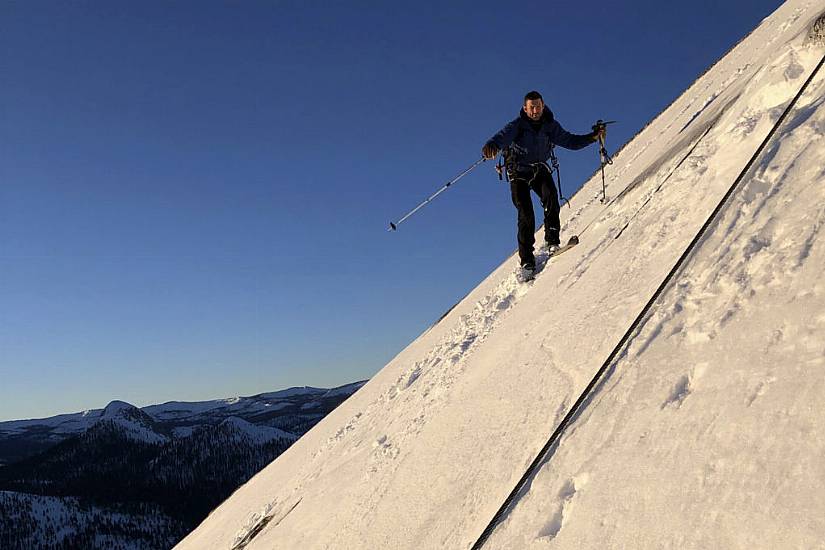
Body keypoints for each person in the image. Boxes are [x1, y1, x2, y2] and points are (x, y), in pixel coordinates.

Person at [482, 91, 605, 274]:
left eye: (538, 106)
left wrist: (592, 137)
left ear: (543, 105)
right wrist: (490, 146)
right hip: (518, 172)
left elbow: (570, 141)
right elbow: (501, 138)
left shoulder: (550, 126)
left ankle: (552, 242)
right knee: (526, 214)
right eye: (531, 107)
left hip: (539, 169)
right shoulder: (517, 126)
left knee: (551, 199)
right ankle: (527, 262)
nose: (535, 110)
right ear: (525, 108)